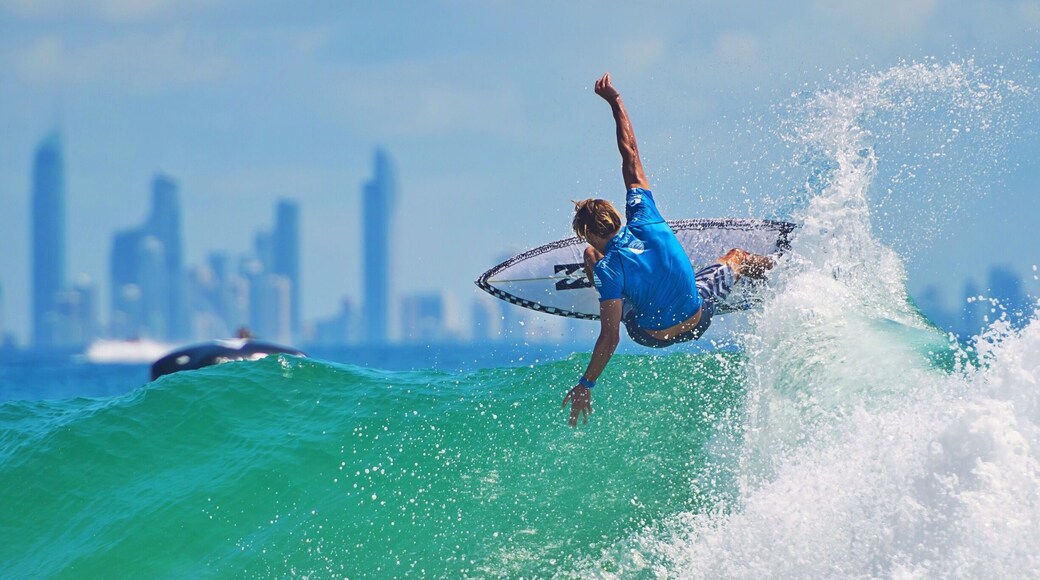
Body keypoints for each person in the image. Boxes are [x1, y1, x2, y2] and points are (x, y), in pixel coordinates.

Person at [561, 73, 775, 427]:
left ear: (589, 233)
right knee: (736, 259)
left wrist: (587, 384)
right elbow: (630, 154)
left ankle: (614, 299)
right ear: (617, 215)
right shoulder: (643, 214)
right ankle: (779, 270)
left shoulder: (607, 267)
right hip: (699, 318)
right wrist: (615, 101)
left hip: (650, 337)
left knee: (591, 264)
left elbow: (611, 335)